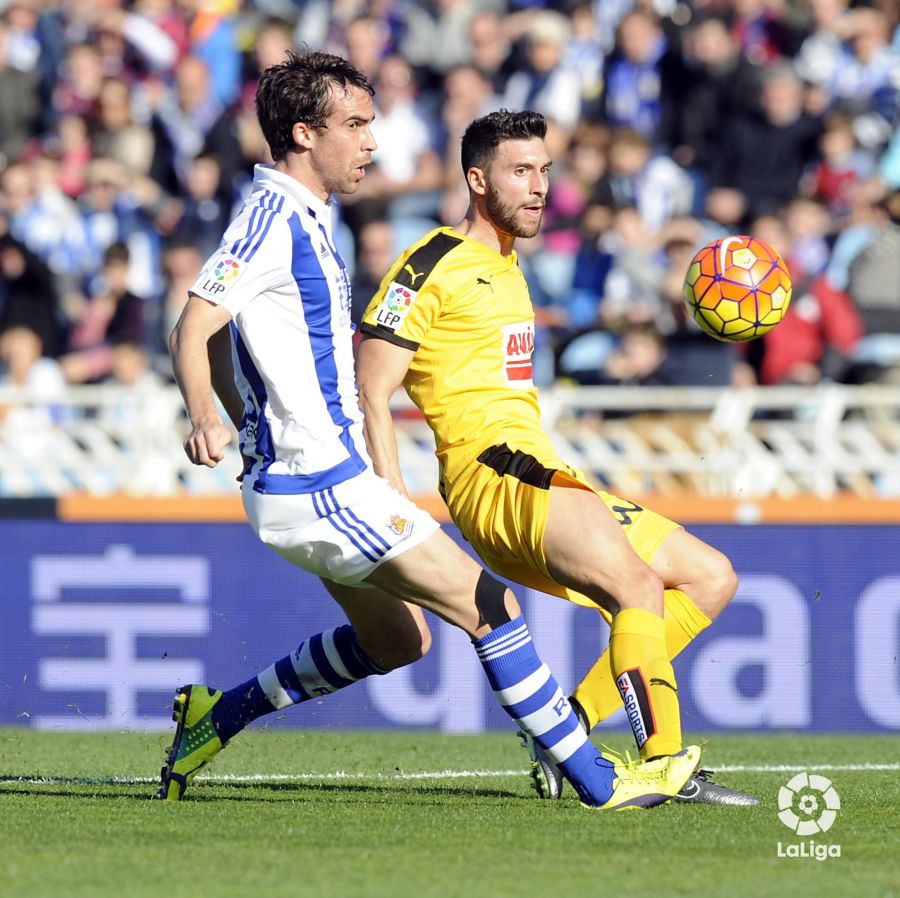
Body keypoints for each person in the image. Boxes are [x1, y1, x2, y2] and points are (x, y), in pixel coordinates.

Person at [159, 51, 701, 809]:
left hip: (303, 482)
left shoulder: (307, 215)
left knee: (398, 641)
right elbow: (194, 324)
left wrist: (245, 415)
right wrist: (209, 415)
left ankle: (217, 715)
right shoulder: (273, 216)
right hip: (319, 481)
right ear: (303, 133)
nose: (371, 142)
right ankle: (600, 781)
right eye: (354, 125)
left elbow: (220, 337)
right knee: (492, 607)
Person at [356, 109, 757, 806]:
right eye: (521, 171)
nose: (539, 186)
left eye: (544, 170)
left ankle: (566, 731)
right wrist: (393, 500)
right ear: (477, 180)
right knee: (635, 589)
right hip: (494, 476)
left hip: (537, 468)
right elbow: (371, 381)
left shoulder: (509, 264)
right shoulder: (431, 263)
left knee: (709, 579)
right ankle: (662, 763)